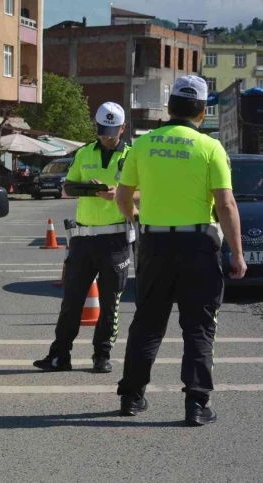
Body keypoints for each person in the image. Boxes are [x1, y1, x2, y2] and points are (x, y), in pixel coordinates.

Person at [115, 75, 246, 425]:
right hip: (198, 245)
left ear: (169, 107)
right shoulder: (210, 148)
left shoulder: (143, 145)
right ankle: (196, 404)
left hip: (155, 244)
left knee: (147, 323)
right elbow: (227, 204)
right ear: (202, 112)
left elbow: (122, 196)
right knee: (199, 326)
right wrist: (237, 253)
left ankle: (131, 397)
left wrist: (138, 220)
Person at [33, 102, 134, 374]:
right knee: (71, 302)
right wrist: (88, 189)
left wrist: (120, 195)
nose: (106, 136)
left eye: (112, 131)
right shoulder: (84, 153)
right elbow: (67, 186)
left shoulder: (134, 156)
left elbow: (146, 193)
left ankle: (102, 355)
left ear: (122, 128)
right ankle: (59, 356)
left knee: (110, 302)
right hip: (83, 238)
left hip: (115, 239)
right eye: (102, 130)